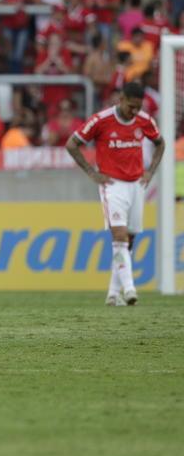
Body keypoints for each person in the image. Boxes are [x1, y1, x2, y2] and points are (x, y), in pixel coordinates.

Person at [66, 82, 165, 306]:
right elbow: (72, 144)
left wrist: (150, 171)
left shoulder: (144, 121)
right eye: (131, 106)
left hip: (136, 185)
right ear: (121, 99)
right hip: (112, 185)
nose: (134, 112)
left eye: (138, 107)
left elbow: (160, 143)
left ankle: (113, 293)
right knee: (119, 236)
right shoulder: (101, 120)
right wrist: (92, 172)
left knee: (128, 240)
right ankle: (130, 289)